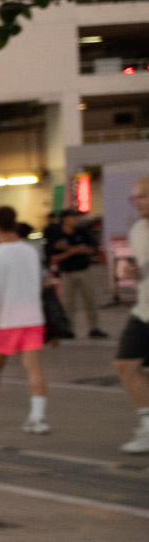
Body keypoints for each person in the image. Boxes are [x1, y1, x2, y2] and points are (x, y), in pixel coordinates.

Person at [0, 206, 51, 433]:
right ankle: (38, 417)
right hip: (32, 319)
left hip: (3, 320)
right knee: (34, 368)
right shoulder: (31, 252)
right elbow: (43, 282)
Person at [116, 176, 149, 453]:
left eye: (143, 196)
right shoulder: (138, 229)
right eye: (134, 197)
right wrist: (134, 272)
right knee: (126, 365)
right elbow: (143, 267)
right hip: (143, 311)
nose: (137, 202)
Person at [47, 210, 107, 339]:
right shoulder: (57, 234)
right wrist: (74, 251)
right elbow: (54, 257)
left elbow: (92, 250)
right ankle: (68, 329)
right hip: (67, 273)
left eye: (77, 217)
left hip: (84, 270)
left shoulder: (83, 232)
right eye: (73, 217)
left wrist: (68, 248)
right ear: (65, 219)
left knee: (90, 300)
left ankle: (94, 328)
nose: (76, 220)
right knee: (69, 303)